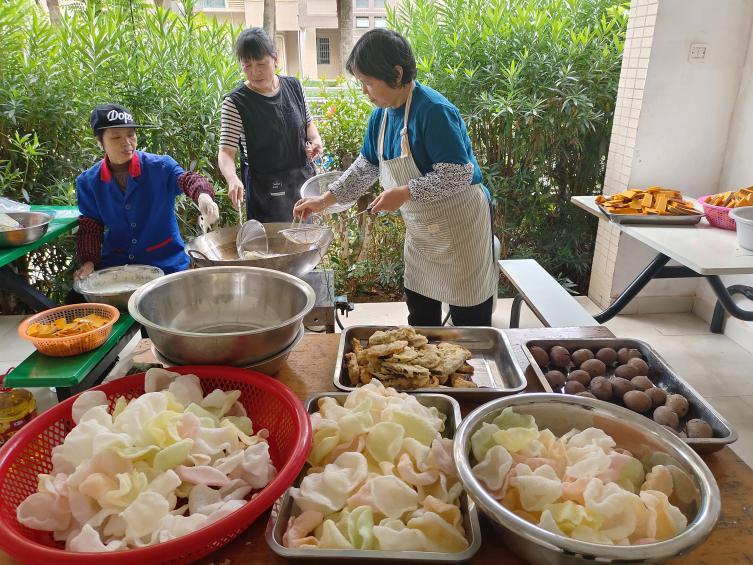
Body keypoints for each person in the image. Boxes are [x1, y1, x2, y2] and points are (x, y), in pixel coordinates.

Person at [294, 29, 497, 327]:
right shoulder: (381, 116)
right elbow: (365, 167)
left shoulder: (434, 111)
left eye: (368, 82)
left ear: (397, 73)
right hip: (422, 233)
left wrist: (403, 193)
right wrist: (324, 200)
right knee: (421, 313)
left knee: (470, 320)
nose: (365, 91)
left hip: (460, 227)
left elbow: (457, 174)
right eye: (361, 83)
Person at [73, 103, 219, 282]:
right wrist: (89, 262)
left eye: (131, 135)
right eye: (116, 137)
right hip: (117, 267)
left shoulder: (160, 167)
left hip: (167, 264)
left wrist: (203, 196)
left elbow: (187, 179)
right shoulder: (88, 182)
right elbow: (90, 226)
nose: (127, 143)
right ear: (99, 142)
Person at [218, 27, 323, 222]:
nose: (255, 72)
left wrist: (316, 141)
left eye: (261, 64)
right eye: (247, 65)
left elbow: (308, 125)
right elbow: (226, 152)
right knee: (268, 240)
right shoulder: (235, 103)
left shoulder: (294, 87)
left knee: (304, 236)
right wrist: (232, 178)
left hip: (300, 185)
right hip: (264, 191)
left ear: (276, 58)